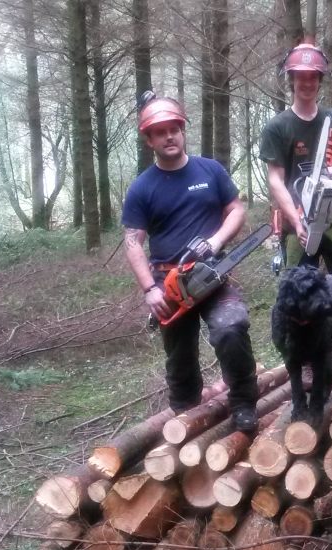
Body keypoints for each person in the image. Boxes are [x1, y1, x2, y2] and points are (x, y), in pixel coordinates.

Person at [121, 93, 259, 431]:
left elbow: (236, 210)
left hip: (212, 274)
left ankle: (244, 403)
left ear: (182, 131)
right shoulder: (142, 188)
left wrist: (216, 241)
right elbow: (133, 242)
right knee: (180, 358)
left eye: (174, 129)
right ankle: (186, 416)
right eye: (160, 132)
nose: (169, 136)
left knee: (231, 328)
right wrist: (149, 289)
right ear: (149, 139)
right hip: (169, 284)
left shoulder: (210, 170)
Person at [259, 43, 332, 290]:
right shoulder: (278, 127)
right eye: (301, 77)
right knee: (295, 291)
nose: (307, 83)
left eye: (312, 77)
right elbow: (276, 180)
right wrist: (296, 223)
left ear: (320, 80)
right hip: (298, 221)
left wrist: (329, 172)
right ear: (292, 79)